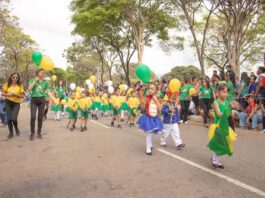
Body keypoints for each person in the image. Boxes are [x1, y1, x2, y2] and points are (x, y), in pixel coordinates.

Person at [207, 84, 237, 169]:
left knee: (223, 143)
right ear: (218, 93)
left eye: (226, 92)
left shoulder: (226, 102)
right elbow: (219, 114)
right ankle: (215, 161)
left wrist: (231, 107)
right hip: (218, 126)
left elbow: (229, 114)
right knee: (220, 144)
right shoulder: (216, 102)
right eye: (224, 92)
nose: (226, 94)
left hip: (225, 125)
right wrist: (227, 111)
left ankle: (214, 159)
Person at [28, 69, 55, 140]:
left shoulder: (45, 82)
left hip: (42, 100)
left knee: (40, 118)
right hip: (34, 100)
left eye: (44, 73)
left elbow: (48, 92)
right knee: (33, 117)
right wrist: (35, 81)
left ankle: (39, 133)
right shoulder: (32, 80)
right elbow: (29, 88)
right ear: (37, 73)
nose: (43, 74)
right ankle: (32, 133)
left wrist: (53, 99)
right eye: (41, 73)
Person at [137, 83, 163, 155]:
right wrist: (142, 102)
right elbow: (143, 108)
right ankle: (148, 148)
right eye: (149, 88)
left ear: (156, 91)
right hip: (148, 118)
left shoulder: (158, 98)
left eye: (152, 89)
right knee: (149, 133)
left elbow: (160, 109)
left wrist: (156, 100)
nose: (150, 90)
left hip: (155, 119)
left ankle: (150, 144)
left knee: (155, 134)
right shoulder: (147, 98)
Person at [2, 73, 25, 139]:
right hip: (8, 102)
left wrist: (16, 95)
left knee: (14, 119)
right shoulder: (7, 84)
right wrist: (8, 95)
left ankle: (16, 128)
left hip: (16, 103)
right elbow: (3, 93)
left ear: (18, 79)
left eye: (16, 78)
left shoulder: (20, 86)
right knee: (9, 119)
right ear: (11, 77)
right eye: (13, 77)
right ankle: (11, 133)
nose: (15, 79)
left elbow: (23, 95)